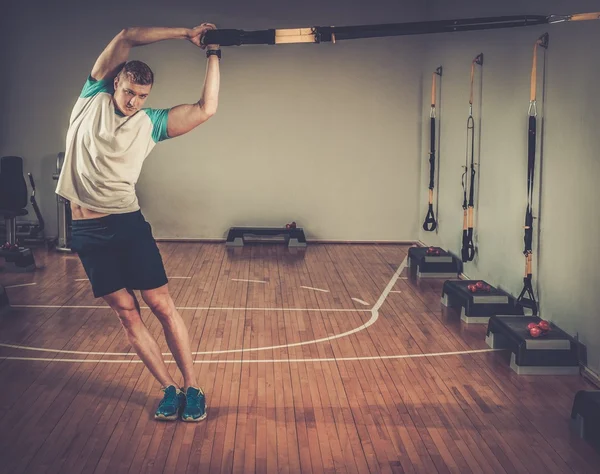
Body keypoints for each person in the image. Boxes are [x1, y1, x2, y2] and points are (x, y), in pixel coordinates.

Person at [55, 23, 221, 422]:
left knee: (159, 304)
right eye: (129, 91)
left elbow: (206, 109)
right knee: (127, 313)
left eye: (142, 96)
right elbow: (126, 35)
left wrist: (213, 53)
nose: (133, 101)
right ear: (115, 82)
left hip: (127, 225)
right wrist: (186, 33)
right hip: (86, 231)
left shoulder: (150, 124)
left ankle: (192, 387)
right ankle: (167, 389)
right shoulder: (91, 96)